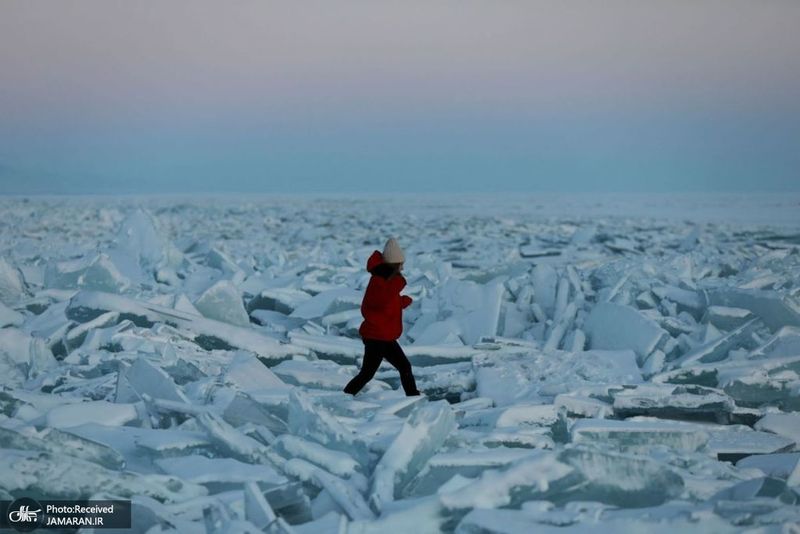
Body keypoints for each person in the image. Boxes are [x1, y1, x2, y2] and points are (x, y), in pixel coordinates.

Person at [344, 237, 421, 396]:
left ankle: (413, 397)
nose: (403, 267)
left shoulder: (386, 282)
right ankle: (344, 397)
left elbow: (385, 302)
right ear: (395, 264)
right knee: (367, 374)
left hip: (385, 336)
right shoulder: (380, 282)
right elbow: (374, 305)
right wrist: (398, 286)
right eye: (401, 263)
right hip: (376, 338)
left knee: (404, 367)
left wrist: (401, 302)